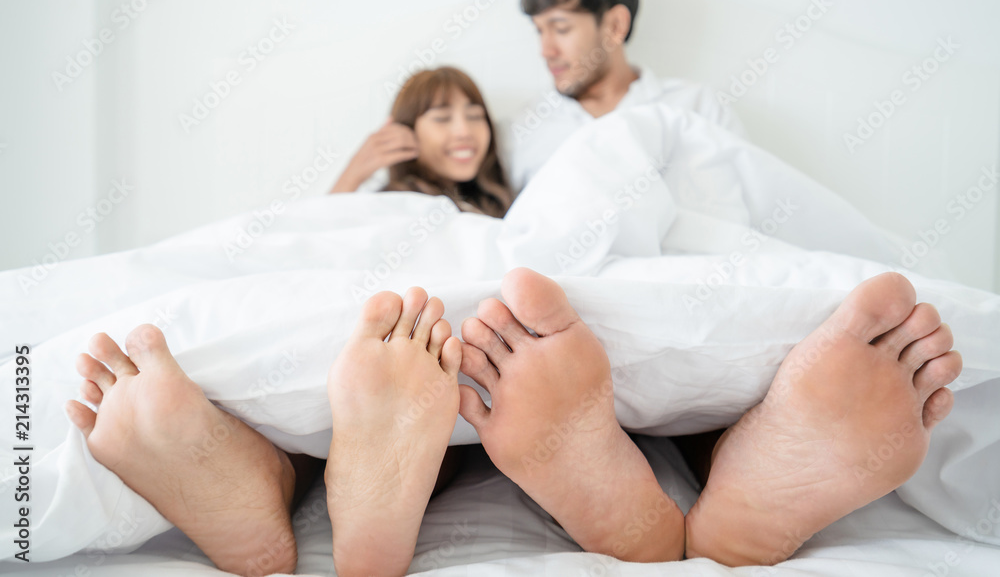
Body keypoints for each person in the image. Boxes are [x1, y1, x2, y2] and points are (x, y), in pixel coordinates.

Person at [67, 268, 961, 574]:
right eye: (438, 116)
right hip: (476, 389)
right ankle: (732, 479)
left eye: (471, 115)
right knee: (467, 391)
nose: (458, 130)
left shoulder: (536, 176)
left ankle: (275, 490)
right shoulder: (390, 186)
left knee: (460, 396)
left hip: (458, 398)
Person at [503, 0, 745, 193]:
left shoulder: (697, 109)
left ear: (615, 26)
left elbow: (743, 215)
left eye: (561, 28)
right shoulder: (523, 130)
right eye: (539, 31)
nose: (546, 50)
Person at [330, 66, 513, 218]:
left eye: (474, 116)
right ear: (405, 132)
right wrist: (352, 175)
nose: (464, 132)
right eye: (442, 118)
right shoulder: (390, 208)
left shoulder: (501, 204)